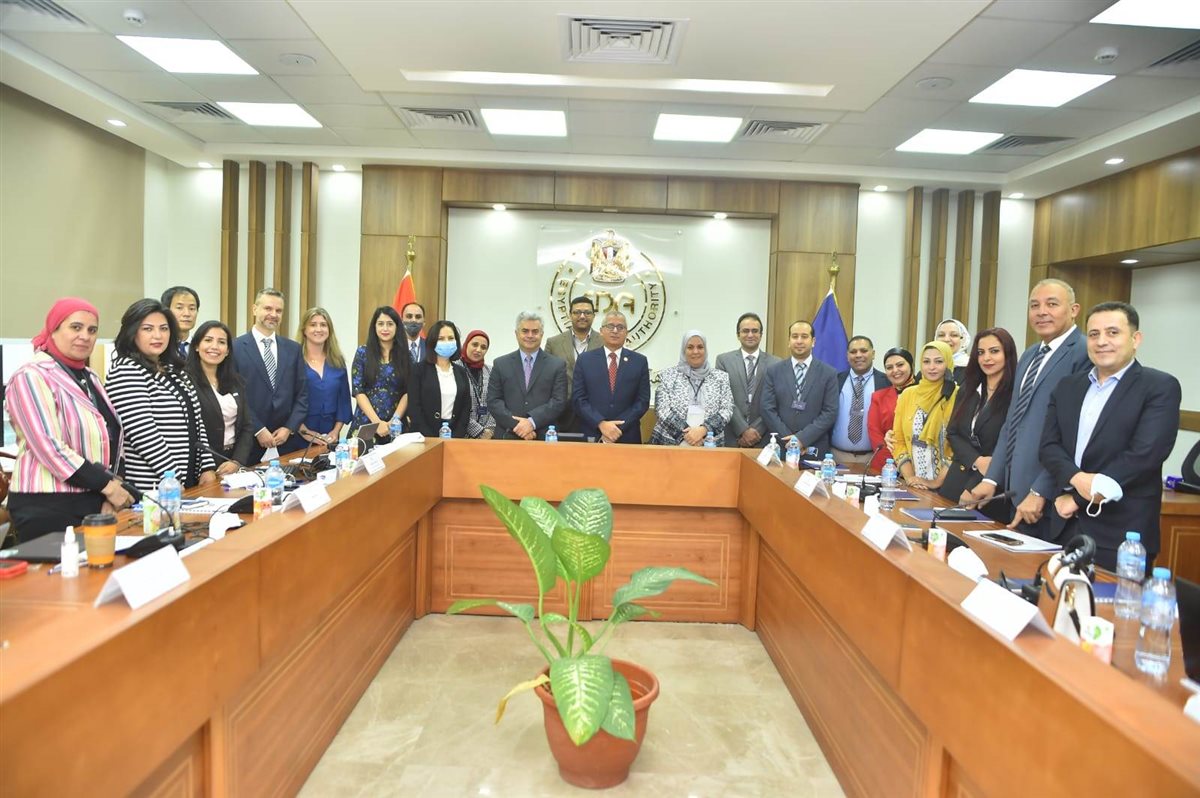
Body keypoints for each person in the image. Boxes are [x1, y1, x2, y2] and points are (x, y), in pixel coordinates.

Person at [1041, 302, 1181, 570]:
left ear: (1135, 339)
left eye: (1113, 333)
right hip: (1062, 525)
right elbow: (1049, 446)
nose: (1102, 341)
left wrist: (1079, 498)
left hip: (1122, 536)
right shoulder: (1068, 386)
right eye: (1094, 334)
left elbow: (1144, 456)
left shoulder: (1159, 387)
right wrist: (1076, 478)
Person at [969, 279, 1091, 535]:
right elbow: (1013, 422)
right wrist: (991, 478)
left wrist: (1040, 491)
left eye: (1052, 304)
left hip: (1052, 499)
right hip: (1016, 492)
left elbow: (1073, 435)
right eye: (1034, 305)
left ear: (1074, 310)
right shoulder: (1030, 354)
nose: (1041, 312)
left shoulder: (1083, 353)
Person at [5, 298, 131, 541]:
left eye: (92, 330)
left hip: (93, 498)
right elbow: (48, 445)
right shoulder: (31, 375)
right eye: (76, 327)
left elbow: (111, 437)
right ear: (53, 330)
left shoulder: (91, 377)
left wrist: (110, 492)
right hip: (47, 504)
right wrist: (107, 486)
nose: (85, 336)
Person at [106, 299, 217, 491]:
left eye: (164, 329)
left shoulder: (174, 370)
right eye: (147, 329)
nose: (158, 335)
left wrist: (206, 467)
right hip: (155, 484)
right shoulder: (126, 371)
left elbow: (197, 420)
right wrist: (172, 476)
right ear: (132, 332)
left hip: (188, 479)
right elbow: (142, 432)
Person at [939, 328, 1017, 520]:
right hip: (957, 477)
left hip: (990, 486)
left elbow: (1008, 445)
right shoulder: (969, 388)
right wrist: (976, 461)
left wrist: (974, 483)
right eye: (981, 352)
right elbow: (953, 432)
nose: (986, 358)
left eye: (994, 351)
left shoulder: (1016, 394)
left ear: (1008, 354)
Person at [232, 288, 308, 464]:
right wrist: (258, 429)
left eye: (278, 310)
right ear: (254, 309)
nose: (273, 314)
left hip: (287, 442)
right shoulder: (235, 347)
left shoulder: (293, 349)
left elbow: (302, 395)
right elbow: (234, 395)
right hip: (249, 443)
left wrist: (289, 428)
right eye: (268, 308)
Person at [759, 320, 839, 455]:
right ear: (789, 341)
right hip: (780, 446)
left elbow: (830, 412)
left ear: (813, 341)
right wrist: (789, 440)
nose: (799, 341)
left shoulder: (828, 373)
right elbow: (767, 408)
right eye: (795, 336)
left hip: (813, 448)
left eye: (804, 336)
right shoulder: (774, 371)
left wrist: (802, 439)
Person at [186, 320, 254, 474]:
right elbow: (189, 432)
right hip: (201, 465)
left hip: (233, 460)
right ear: (196, 346)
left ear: (228, 350)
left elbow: (246, 426)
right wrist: (207, 466)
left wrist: (237, 461)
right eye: (208, 340)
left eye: (221, 342)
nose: (215, 347)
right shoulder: (185, 381)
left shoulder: (236, 381)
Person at [573, 310, 651, 444]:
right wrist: (601, 423)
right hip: (592, 434)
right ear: (601, 331)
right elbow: (578, 399)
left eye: (620, 327)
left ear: (626, 333)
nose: (615, 331)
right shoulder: (585, 360)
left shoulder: (639, 361)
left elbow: (642, 401)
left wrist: (617, 428)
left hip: (627, 435)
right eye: (610, 326)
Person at [488, 312, 568, 440]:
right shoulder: (500, 364)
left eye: (535, 331)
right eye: (525, 331)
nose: (530, 335)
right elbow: (494, 401)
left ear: (542, 334)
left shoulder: (557, 365)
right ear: (516, 333)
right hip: (507, 435)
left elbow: (558, 402)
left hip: (544, 437)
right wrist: (518, 426)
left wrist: (532, 422)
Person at [890, 341, 958, 490]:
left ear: (948, 363)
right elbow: (898, 440)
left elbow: (959, 447)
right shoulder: (908, 395)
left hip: (948, 486)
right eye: (926, 362)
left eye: (938, 361)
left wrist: (936, 483)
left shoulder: (959, 395)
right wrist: (911, 478)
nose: (932, 367)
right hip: (913, 484)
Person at [650, 331, 733, 446]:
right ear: (683, 350)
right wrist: (688, 435)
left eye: (700, 347)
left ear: (705, 350)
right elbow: (662, 410)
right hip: (670, 443)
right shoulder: (668, 375)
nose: (695, 351)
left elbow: (726, 409)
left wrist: (703, 430)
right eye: (690, 347)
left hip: (709, 443)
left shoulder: (720, 377)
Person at [715, 312, 780, 448]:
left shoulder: (776, 363)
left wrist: (756, 431)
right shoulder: (723, 361)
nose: (750, 335)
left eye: (755, 331)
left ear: (761, 335)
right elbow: (723, 398)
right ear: (738, 335)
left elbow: (775, 401)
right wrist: (743, 430)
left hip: (763, 438)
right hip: (732, 437)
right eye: (745, 331)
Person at [544, 296, 602, 432]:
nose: (582, 316)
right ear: (570, 315)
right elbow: (546, 377)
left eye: (587, 312)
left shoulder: (604, 342)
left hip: (595, 411)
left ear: (594, 316)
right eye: (577, 312)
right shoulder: (554, 343)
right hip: (561, 412)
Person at [297, 307, 352, 447]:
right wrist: (305, 432)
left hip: (330, 435)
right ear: (304, 330)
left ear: (329, 330)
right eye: (313, 324)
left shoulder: (337, 361)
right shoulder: (294, 360)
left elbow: (343, 400)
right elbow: (287, 401)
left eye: (323, 325)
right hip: (299, 435)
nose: (319, 329)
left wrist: (336, 431)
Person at [352, 306, 410, 439]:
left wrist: (394, 420)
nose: (385, 328)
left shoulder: (407, 356)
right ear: (374, 327)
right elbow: (358, 390)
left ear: (397, 327)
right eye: (380, 324)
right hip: (367, 423)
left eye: (390, 324)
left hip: (396, 426)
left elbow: (408, 391)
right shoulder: (362, 353)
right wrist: (377, 422)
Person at [831, 335, 890, 464]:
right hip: (836, 457)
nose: (858, 355)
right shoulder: (835, 380)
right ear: (847, 356)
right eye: (853, 352)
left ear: (873, 354)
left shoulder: (887, 382)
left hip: (873, 458)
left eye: (863, 351)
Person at [408, 320, 471, 437]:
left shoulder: (461, 371)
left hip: (454, 434)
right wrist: (429, 436)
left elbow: (466, 407)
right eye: (441, 339)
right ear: (432, 342)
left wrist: (457, 434)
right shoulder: (419, 369)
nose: (447, 342)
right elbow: (414, 407)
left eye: (451, 338)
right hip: (424, 435)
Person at [867, 347, 914, 473]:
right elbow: (876, 435)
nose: (895, 370)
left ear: (911, 365)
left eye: (900, 365)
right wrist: (893, 466)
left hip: (921, 466)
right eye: (889, 367)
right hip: (888, 466)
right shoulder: (878, 397)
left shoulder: (925, 394)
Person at [461, 329, 496, 439]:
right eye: (475, 345)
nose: (478, 350)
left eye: (483, 347)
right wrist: (478, 431)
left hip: (488, 436)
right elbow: (456, 407)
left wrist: (489, 429)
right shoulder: (455, 368)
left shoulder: (491, 371)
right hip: (461, 433)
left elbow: (496, 401)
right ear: (466, 344)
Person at [161, 286, 199, 358]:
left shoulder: (200, 348)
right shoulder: (158, 347)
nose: (187, 314)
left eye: (192, 308)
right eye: (179, 308)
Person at [935, 318, 972, 384]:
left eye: (954, 335)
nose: (946, 339)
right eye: (941, 335)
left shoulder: (971, 369)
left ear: (963, 339)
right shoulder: (929, 366)